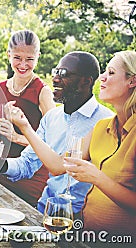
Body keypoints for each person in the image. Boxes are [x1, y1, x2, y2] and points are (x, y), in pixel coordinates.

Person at [0, 51, 113, 215]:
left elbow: (59, 166)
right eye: (55, 72)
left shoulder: (107, 121)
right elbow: (27, 163)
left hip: (83, 219)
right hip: (45, 211)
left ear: (86, 81)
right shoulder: (51, 118)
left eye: (63, 73)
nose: (55, 79)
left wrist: (24, 128)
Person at [63, 51, 135, 236]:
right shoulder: (102, 127)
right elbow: (63, 162)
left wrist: (96, 177)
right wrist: (23, 130)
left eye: (110, 73)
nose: (101, 78)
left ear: (132, 81)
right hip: (88, 232)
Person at [0, 30, 56, 207]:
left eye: (29, 59)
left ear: (38, 57)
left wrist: (16, 137)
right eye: (17, 57)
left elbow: (53, 146)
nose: (23, 64)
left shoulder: (43, 93)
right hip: (1, 168)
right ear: (8, 55)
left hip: (31, 176)